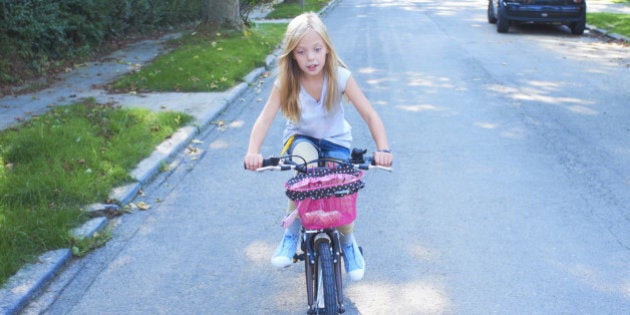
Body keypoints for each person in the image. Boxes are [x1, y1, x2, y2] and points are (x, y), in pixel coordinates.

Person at [243, 12, 392, 281]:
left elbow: (370, 114)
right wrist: (253, 152)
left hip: (336, 142)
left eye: (316, 49)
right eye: (301, 52)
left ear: (327, 49)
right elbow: (264, 119)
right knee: (306, 164)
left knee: (339, 185)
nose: (311, 58)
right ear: (292, 56)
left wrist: (383, 149)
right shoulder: (286, 82)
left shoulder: (341, 77)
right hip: (301, 139)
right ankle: (290, 235)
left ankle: (347, 242)